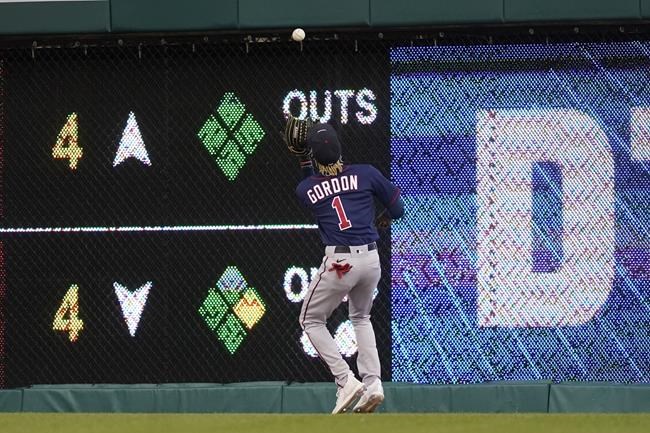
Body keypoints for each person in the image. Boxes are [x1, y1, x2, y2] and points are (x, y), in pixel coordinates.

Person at [286, 118, 404, 414]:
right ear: (340, 150)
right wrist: (384, 216)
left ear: (314, 157)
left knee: (310, 320)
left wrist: (303, 159)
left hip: (341, 264)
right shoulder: (366, 173)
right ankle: (374, 383)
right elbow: (398, 209)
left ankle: (345, 381)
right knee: (361, 318)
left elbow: (310, 183)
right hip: (371, 260)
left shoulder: (306, 189)